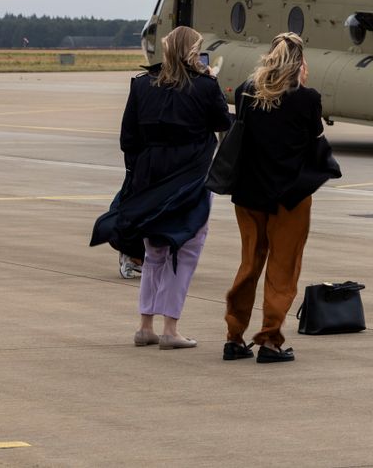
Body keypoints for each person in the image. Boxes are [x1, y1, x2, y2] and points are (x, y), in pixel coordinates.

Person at [91, 25, 231, 350]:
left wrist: (135, 176)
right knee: (186, 248)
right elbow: (223, 122)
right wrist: (209, 80)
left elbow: (128, 138)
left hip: (149, 178)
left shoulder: (141, 86)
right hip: (191, 178)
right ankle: (171, 328)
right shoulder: (205, 86)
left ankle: (145, 325)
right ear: (193, 53)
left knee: (154, 249)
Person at [223, 32, 340, 364]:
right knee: (282, 269)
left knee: (249, 264)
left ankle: (234, 337)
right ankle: (270, 339)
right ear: (300, 63)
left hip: (248, 194)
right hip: (289, 196)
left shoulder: (248, 92)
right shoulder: (307, 99)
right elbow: (314, 142)